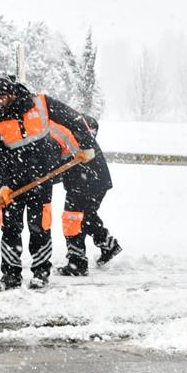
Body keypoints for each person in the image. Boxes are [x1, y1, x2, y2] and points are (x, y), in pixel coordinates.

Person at [0, 75, 84, 290]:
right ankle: (10, 275)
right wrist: (2, 184)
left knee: (40, 227)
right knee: (9, 228)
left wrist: (83, 145)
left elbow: (73, 118)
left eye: (2, 98)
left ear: (12, 94)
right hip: (12, 183)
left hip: (42, 177)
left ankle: (40, 272)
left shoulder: (40, 104)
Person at [48, 107, 121, 277]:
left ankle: (77, 263)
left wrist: (46, 178)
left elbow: (61, 165)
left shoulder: (64, 131)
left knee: (72, 219)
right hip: (96, 180)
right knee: (86, 217)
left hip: (85, 182)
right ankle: (108, 245)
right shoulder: (70, 129)